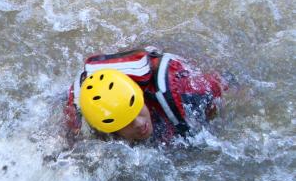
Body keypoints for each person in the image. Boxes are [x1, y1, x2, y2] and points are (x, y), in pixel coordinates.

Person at [64, 47, 227, 143]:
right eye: (127, 123)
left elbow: (223, 88)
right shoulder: (80, 116)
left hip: (173, 73)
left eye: (137, 110)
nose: (140, 123)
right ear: (111, 130)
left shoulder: (185, 89)